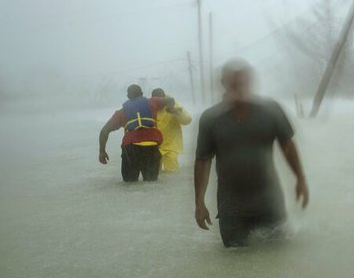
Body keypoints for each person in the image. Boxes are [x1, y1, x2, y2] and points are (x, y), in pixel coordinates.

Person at [194, 59, 309, 247]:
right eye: (234, 83)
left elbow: (287, 146)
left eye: (244, 82)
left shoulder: (270, 111)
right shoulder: (211, 118)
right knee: (235, 262)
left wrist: (301, 179)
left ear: (251, 83)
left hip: (269, 202)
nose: (240, 87)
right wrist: (199, 203)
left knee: (278, 261)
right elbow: (202, 161)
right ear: (224, 84)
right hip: (231, 208)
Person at [98, 84, 174, 182]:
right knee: (151, 184)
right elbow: (171, 99)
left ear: (128, 97)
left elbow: (104, 131)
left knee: (130, 185)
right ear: (142, 94)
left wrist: (102, 151)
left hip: (131, 149)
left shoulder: (121, 113)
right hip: (151, 148)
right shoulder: (153, 102)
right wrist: (170, 108)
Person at [151, 88, 192, 173]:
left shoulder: (173, 104)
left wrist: (176, 112)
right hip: (154, 146)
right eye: (156, 101)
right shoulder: (150, 106)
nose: (159, 103)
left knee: (172, 173)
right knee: (153, 175)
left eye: (161, 100)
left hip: (170, 146)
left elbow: (187, 120)